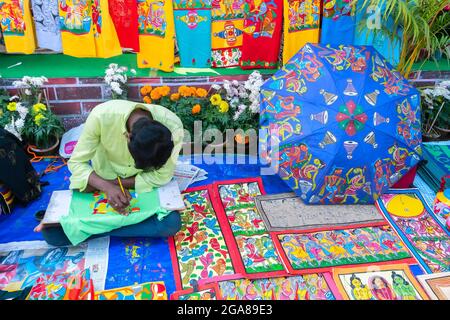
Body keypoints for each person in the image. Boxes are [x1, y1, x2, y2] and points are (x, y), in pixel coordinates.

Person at [34, 100, 184, 246]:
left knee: (172, 223)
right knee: (52, 236)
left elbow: (162, 175)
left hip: (137, 184)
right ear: (128, 136)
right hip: (103, 181)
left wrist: (107, 185)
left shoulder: (173, 126)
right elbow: (76, 162)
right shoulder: (101, 116)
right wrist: (106, 187)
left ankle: (92, 230)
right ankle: (119, 226)